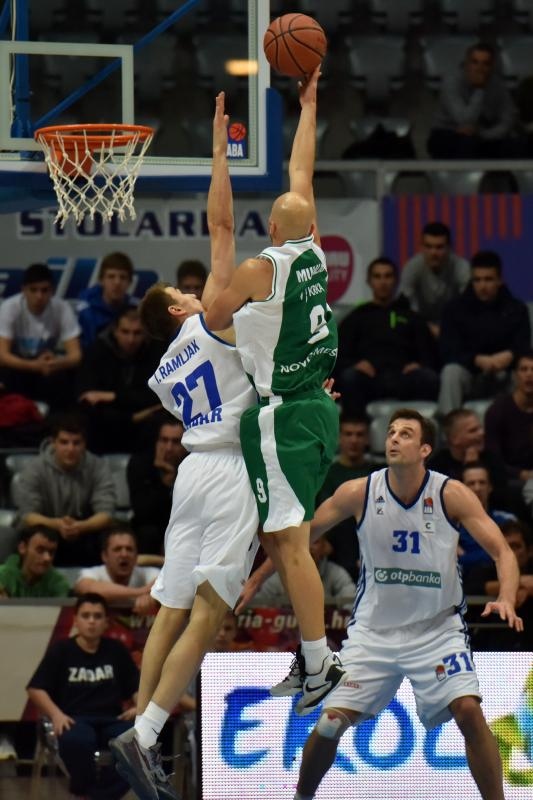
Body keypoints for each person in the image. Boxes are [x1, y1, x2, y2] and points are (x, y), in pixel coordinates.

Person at [109, 92, 259, 800]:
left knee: (170, 602)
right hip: (227, 473)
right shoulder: (213, 323)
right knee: (208, 609)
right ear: (177, 309)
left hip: (191, 473)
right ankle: (144, 737)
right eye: (187, 289)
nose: (202, 289)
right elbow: (221, 221)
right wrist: (219, 148)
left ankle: (139, 726)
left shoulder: (164, 371)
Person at [190, 66, 346, 714]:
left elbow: (216, 310)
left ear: (275, 231)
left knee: (288, 541)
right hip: (313, 408)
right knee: (283, 541)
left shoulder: (262, 267)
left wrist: (192, 305)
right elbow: (300, 176)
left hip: (283, 418)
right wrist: (308, 105)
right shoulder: (311, 252)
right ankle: (311, 659)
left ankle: (320, 663)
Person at [290, 408, 522, 800]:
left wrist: (506, 597)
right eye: (391, 432)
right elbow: (294, 542)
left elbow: (503, 551)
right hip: (373, 633)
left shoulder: (450, 494)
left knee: (468, 711)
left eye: (406, 434)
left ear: (425, 448)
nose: (394, 438)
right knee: (329, 723)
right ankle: (300, 798)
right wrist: (258, 573)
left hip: (437, 630)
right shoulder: (358, 491)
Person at [27, 593, 139, 800]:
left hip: (112, 719)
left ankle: (98, 796)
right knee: (77, 741)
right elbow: (35, 688)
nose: (91, 621)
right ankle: (87, 793)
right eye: (86, 616)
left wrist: (138, 707)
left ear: (106, 622)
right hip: (73, 718)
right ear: (76, 620)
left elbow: (136, 686)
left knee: (138, 743)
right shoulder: (61, 650)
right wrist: (56, 715)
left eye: (97, 616)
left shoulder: (116, 651)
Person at [335, 257, 439, 415]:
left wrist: (419, 365)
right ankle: (356, 433)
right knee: (350, 378)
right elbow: (338, 355)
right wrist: (356, 364)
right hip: (369, 378)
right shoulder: (356, 317)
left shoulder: (411, 317)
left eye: (388, 276)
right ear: (369, 281)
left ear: (396, 280)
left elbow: (430, 353)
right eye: (377, 277)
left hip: (404, 378)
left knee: (428, 378)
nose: (383, 282)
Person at [14, 413, 116, 566]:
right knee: (28, 533)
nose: (70, 448)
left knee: (111, 532)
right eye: (64, 442)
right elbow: (28, 515)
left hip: (85, 532)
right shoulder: (34, 468)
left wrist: (80, 526)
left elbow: (106, 514)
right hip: (46, 529)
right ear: (53, 443)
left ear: (84, 444)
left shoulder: (98, 467)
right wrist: (57, 524)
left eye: (76, 443)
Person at [438, 250, 531, 415]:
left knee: (526, 371)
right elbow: (448, 350)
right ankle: (450, 431)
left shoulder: (516, 309)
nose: (483, 286)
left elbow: (524, 346)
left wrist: (510, 355)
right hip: (470, 374)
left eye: (488, 279)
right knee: (451, 372)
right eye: (477, 280)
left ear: (500, 280)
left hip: (506, 374)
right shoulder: (454, 309)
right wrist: (476, 359)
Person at [77, 306, 164, 454]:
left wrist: (112, 396)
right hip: (109, 423)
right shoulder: (97, 351)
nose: (131, 339)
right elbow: (86, 396)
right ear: (115, 331)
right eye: (125, 332)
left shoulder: (157, 352)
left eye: (137, 333)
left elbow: (157, 396)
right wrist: (133, 417)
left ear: (146, 334)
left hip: (144, 424)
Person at [0, 262, 81, 410]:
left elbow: (76, 355)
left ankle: (56, 425)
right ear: (24, 290)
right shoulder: (9, 308)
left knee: (66, 377)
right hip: (17, 368)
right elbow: (3, 355)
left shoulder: (62, 308)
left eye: (45, 290)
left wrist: (55, 363)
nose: (39, 296)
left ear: (53, 291)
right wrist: (33, 366)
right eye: (34, 290)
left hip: (47, 368)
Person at [427, 41, 525, 159]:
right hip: (448, 133)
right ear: (467, 63)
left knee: (520, 145)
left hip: (482, 136)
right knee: (467, 144)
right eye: (475, 62)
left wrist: (484, 135)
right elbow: (465, 120)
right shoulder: (452, 81)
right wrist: (479, 89)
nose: (480, 68)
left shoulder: (497, 84)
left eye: (486, 64)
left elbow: (508, 119)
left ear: (492, 66)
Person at [316, 413, 382, 581]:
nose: (354, 440)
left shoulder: (378, 475)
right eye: (348, 434)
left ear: (367, 439)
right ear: (339, 437)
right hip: (335, 552)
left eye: (359, 435)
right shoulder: (325, 474)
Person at [465, 519, 533, 651]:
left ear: (529, 550)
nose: (511, 553)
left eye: (516, 546)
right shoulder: (485, 569)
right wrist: (519, 584)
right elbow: (471, 588)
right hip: (492, 650)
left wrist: (525, 590)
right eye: (506, 547)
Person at [127, 413, 188, 554]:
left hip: (183, 526)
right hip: (150, 528)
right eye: (164, 440)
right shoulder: (140, 464)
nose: (168, 448)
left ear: (186, 446)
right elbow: (142, 513)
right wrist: (164, 485)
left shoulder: (194, 466)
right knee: (148, 532)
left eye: (175, 442)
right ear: (156, 442)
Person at [398, 221, 470, 338]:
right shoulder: (412, 268)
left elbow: (468, 307)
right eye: (428, 246)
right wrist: (429, 328)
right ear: (421, 247)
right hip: (421, 327)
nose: (433, 253)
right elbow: (406, 309)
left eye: (439, 247)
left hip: (455, 328)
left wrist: (448, 329)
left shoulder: (462, 267)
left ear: (449, 247)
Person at [74, 523, 160, 615]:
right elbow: (87, 588)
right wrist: (141, 592)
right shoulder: (91, 573)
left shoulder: (148, 573)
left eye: (129, 549)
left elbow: (164, 585)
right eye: (117, 549)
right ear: (105, 556)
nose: (124, 554)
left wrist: (151, 598)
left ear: (136, 556)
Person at [254, 534, 356, 610]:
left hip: (327, 634)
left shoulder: (336, 573)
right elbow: (257, 605)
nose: (309, 548)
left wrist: (335, 618)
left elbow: (351, 602)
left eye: (315, 542)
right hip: (285, 635)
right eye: (304, 542)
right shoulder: (279, 576)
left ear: (324, 547)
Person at [458, 461, 517, 577]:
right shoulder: (451, 524)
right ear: (462, 488)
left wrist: (466, 557)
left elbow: (514, 555)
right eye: (471, 483)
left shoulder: (508, 520)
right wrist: (496, 554)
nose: (477, 488)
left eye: (482, 482)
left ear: (490, 487)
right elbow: (451, 564)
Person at [484, 350, 533, 483]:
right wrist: (520, 474)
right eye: (524, 369)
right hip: (508, 478)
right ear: (516, 375)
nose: (529, 374)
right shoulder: (498, 410)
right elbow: (493, 459)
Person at [77, 252, 138, 350]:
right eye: (111, 276)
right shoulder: (86, 310)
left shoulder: (137, 309)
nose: (117, 283)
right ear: (101, 280)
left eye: (122, 277)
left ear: (130, 281)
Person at [0, 525, 70, 598]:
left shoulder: (59, 583)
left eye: (51, 552)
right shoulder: (2, 576)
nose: (47, 558)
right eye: (40, 550)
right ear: (22, 548)